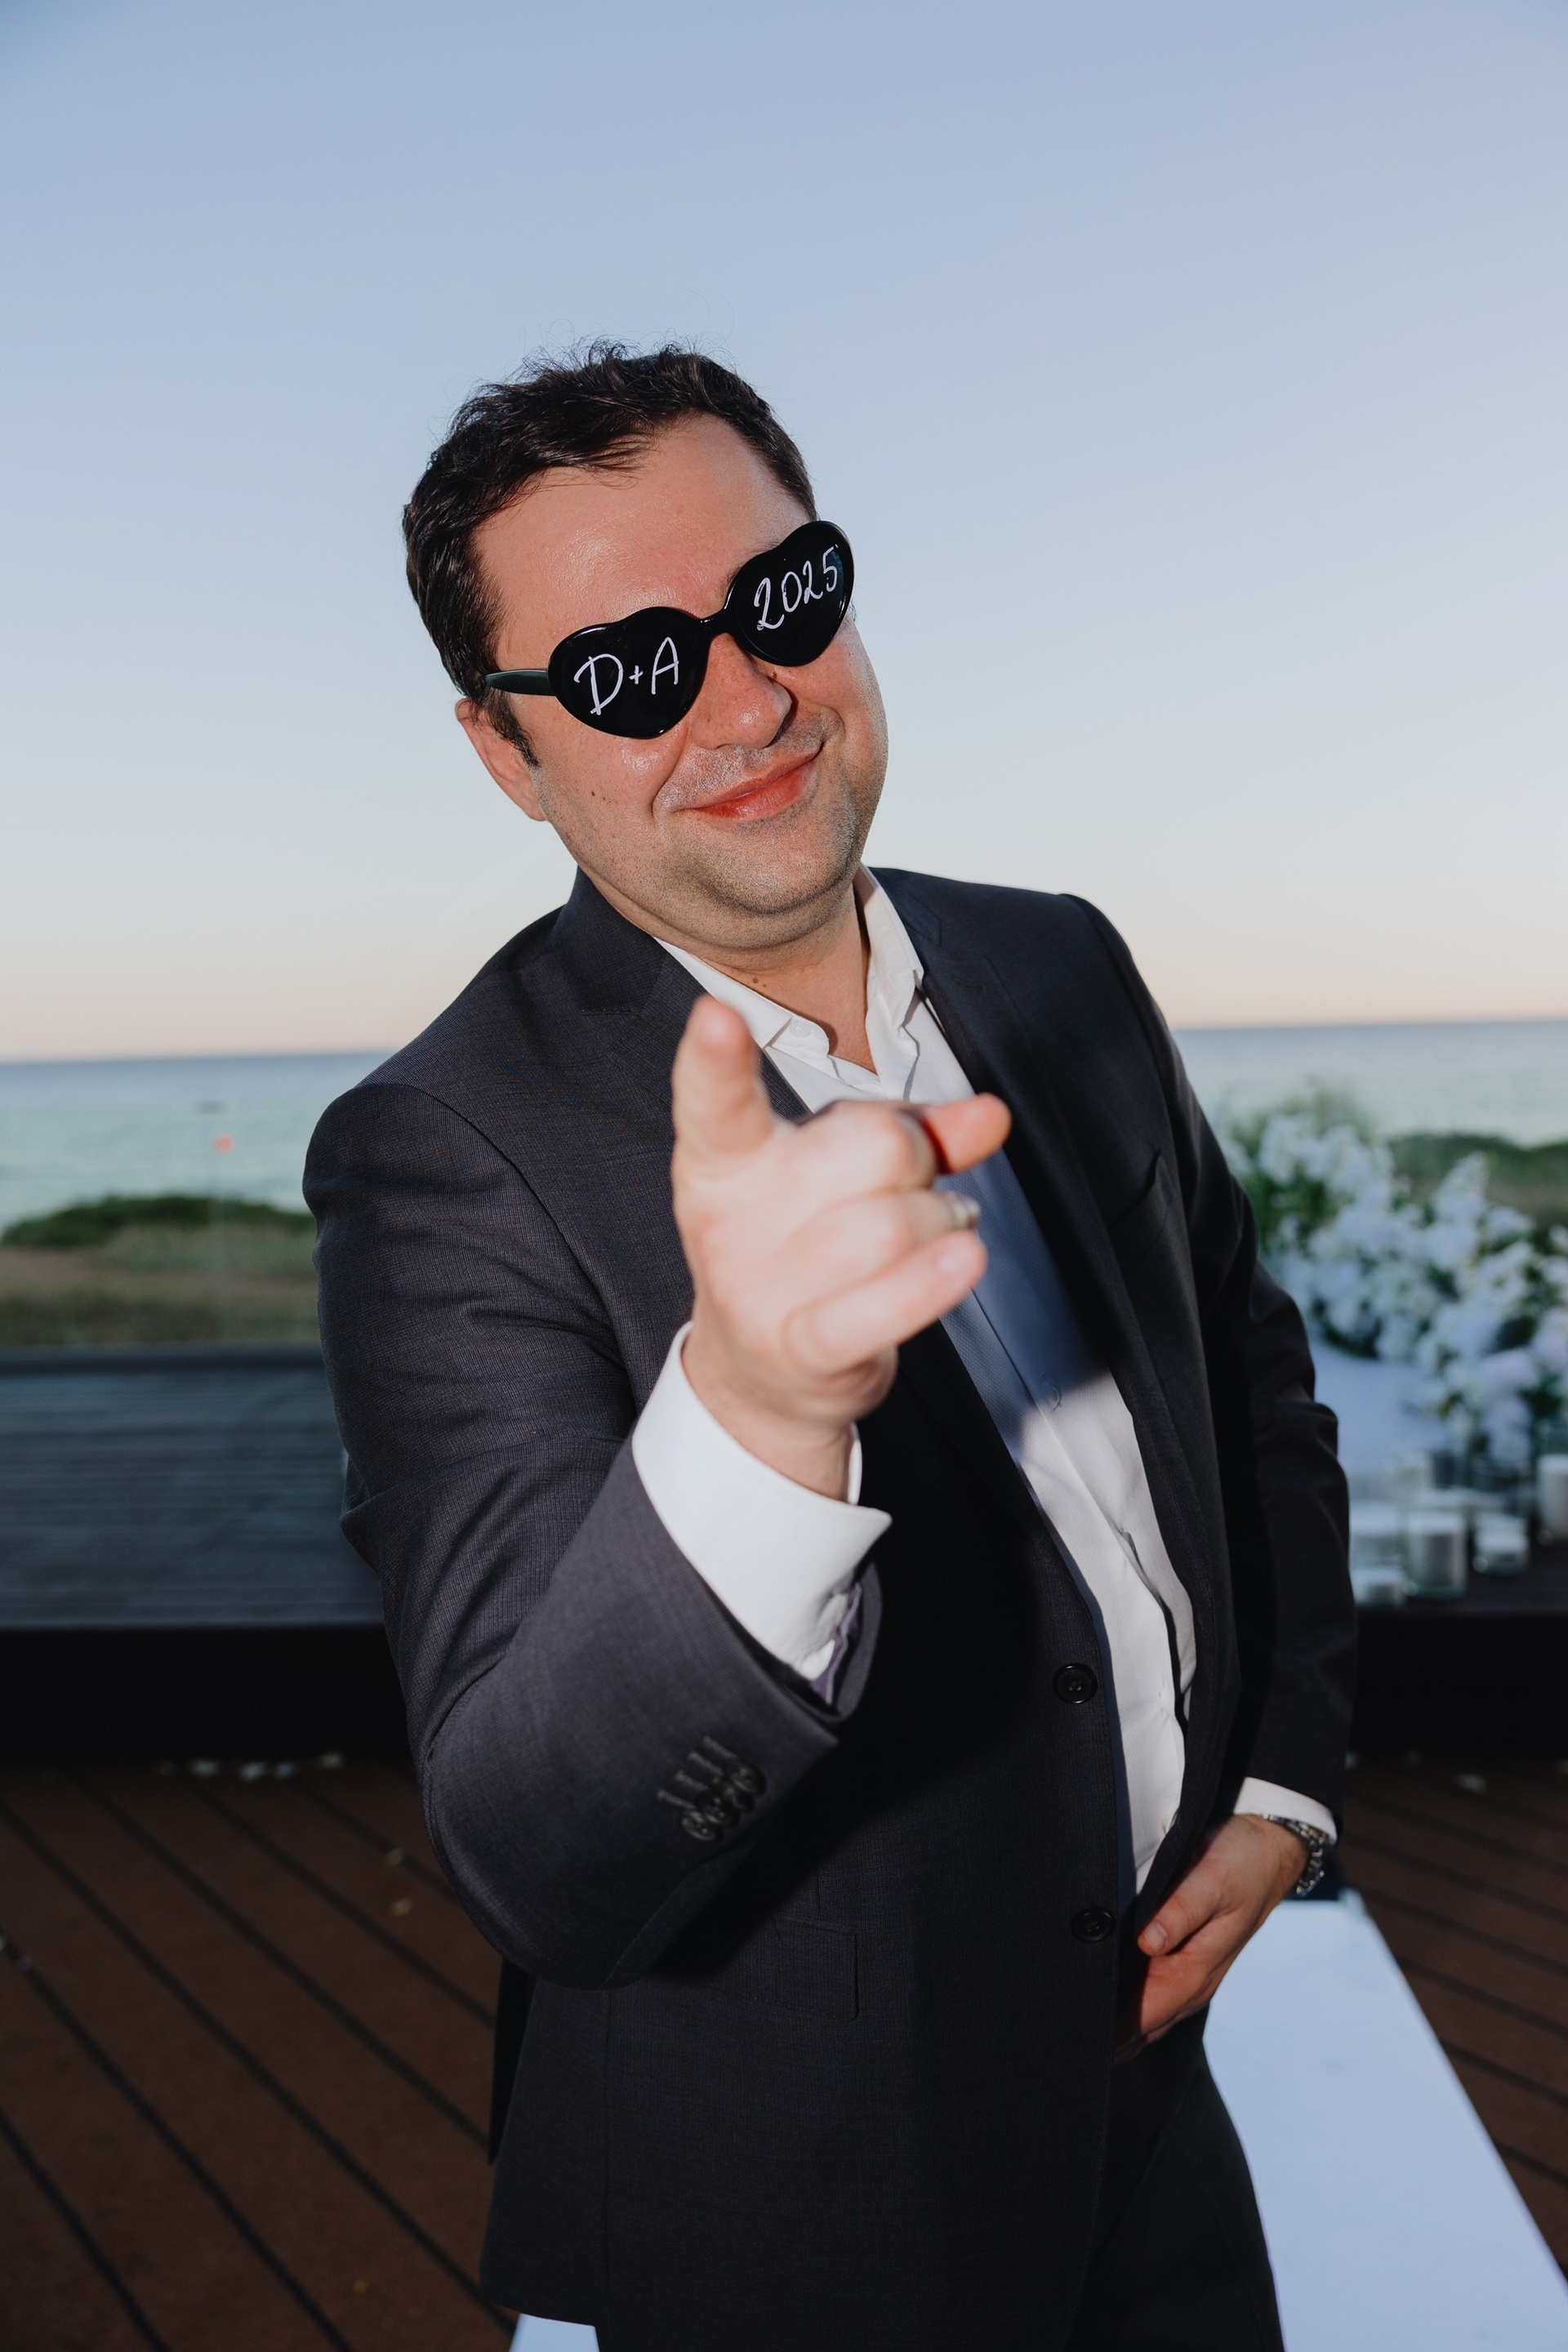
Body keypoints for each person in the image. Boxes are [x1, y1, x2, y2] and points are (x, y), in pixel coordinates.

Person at [306, 345, 1354, 2352]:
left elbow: (1246, 1369)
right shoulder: (441, 1151)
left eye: (781, 600)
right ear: (505, 751)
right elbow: (536, 1854)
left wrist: (1282, 1778)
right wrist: (759, 1414)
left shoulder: (1060, 956)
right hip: (801, 2204)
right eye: (627, 670)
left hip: (1155, 2118)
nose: (747, 700)